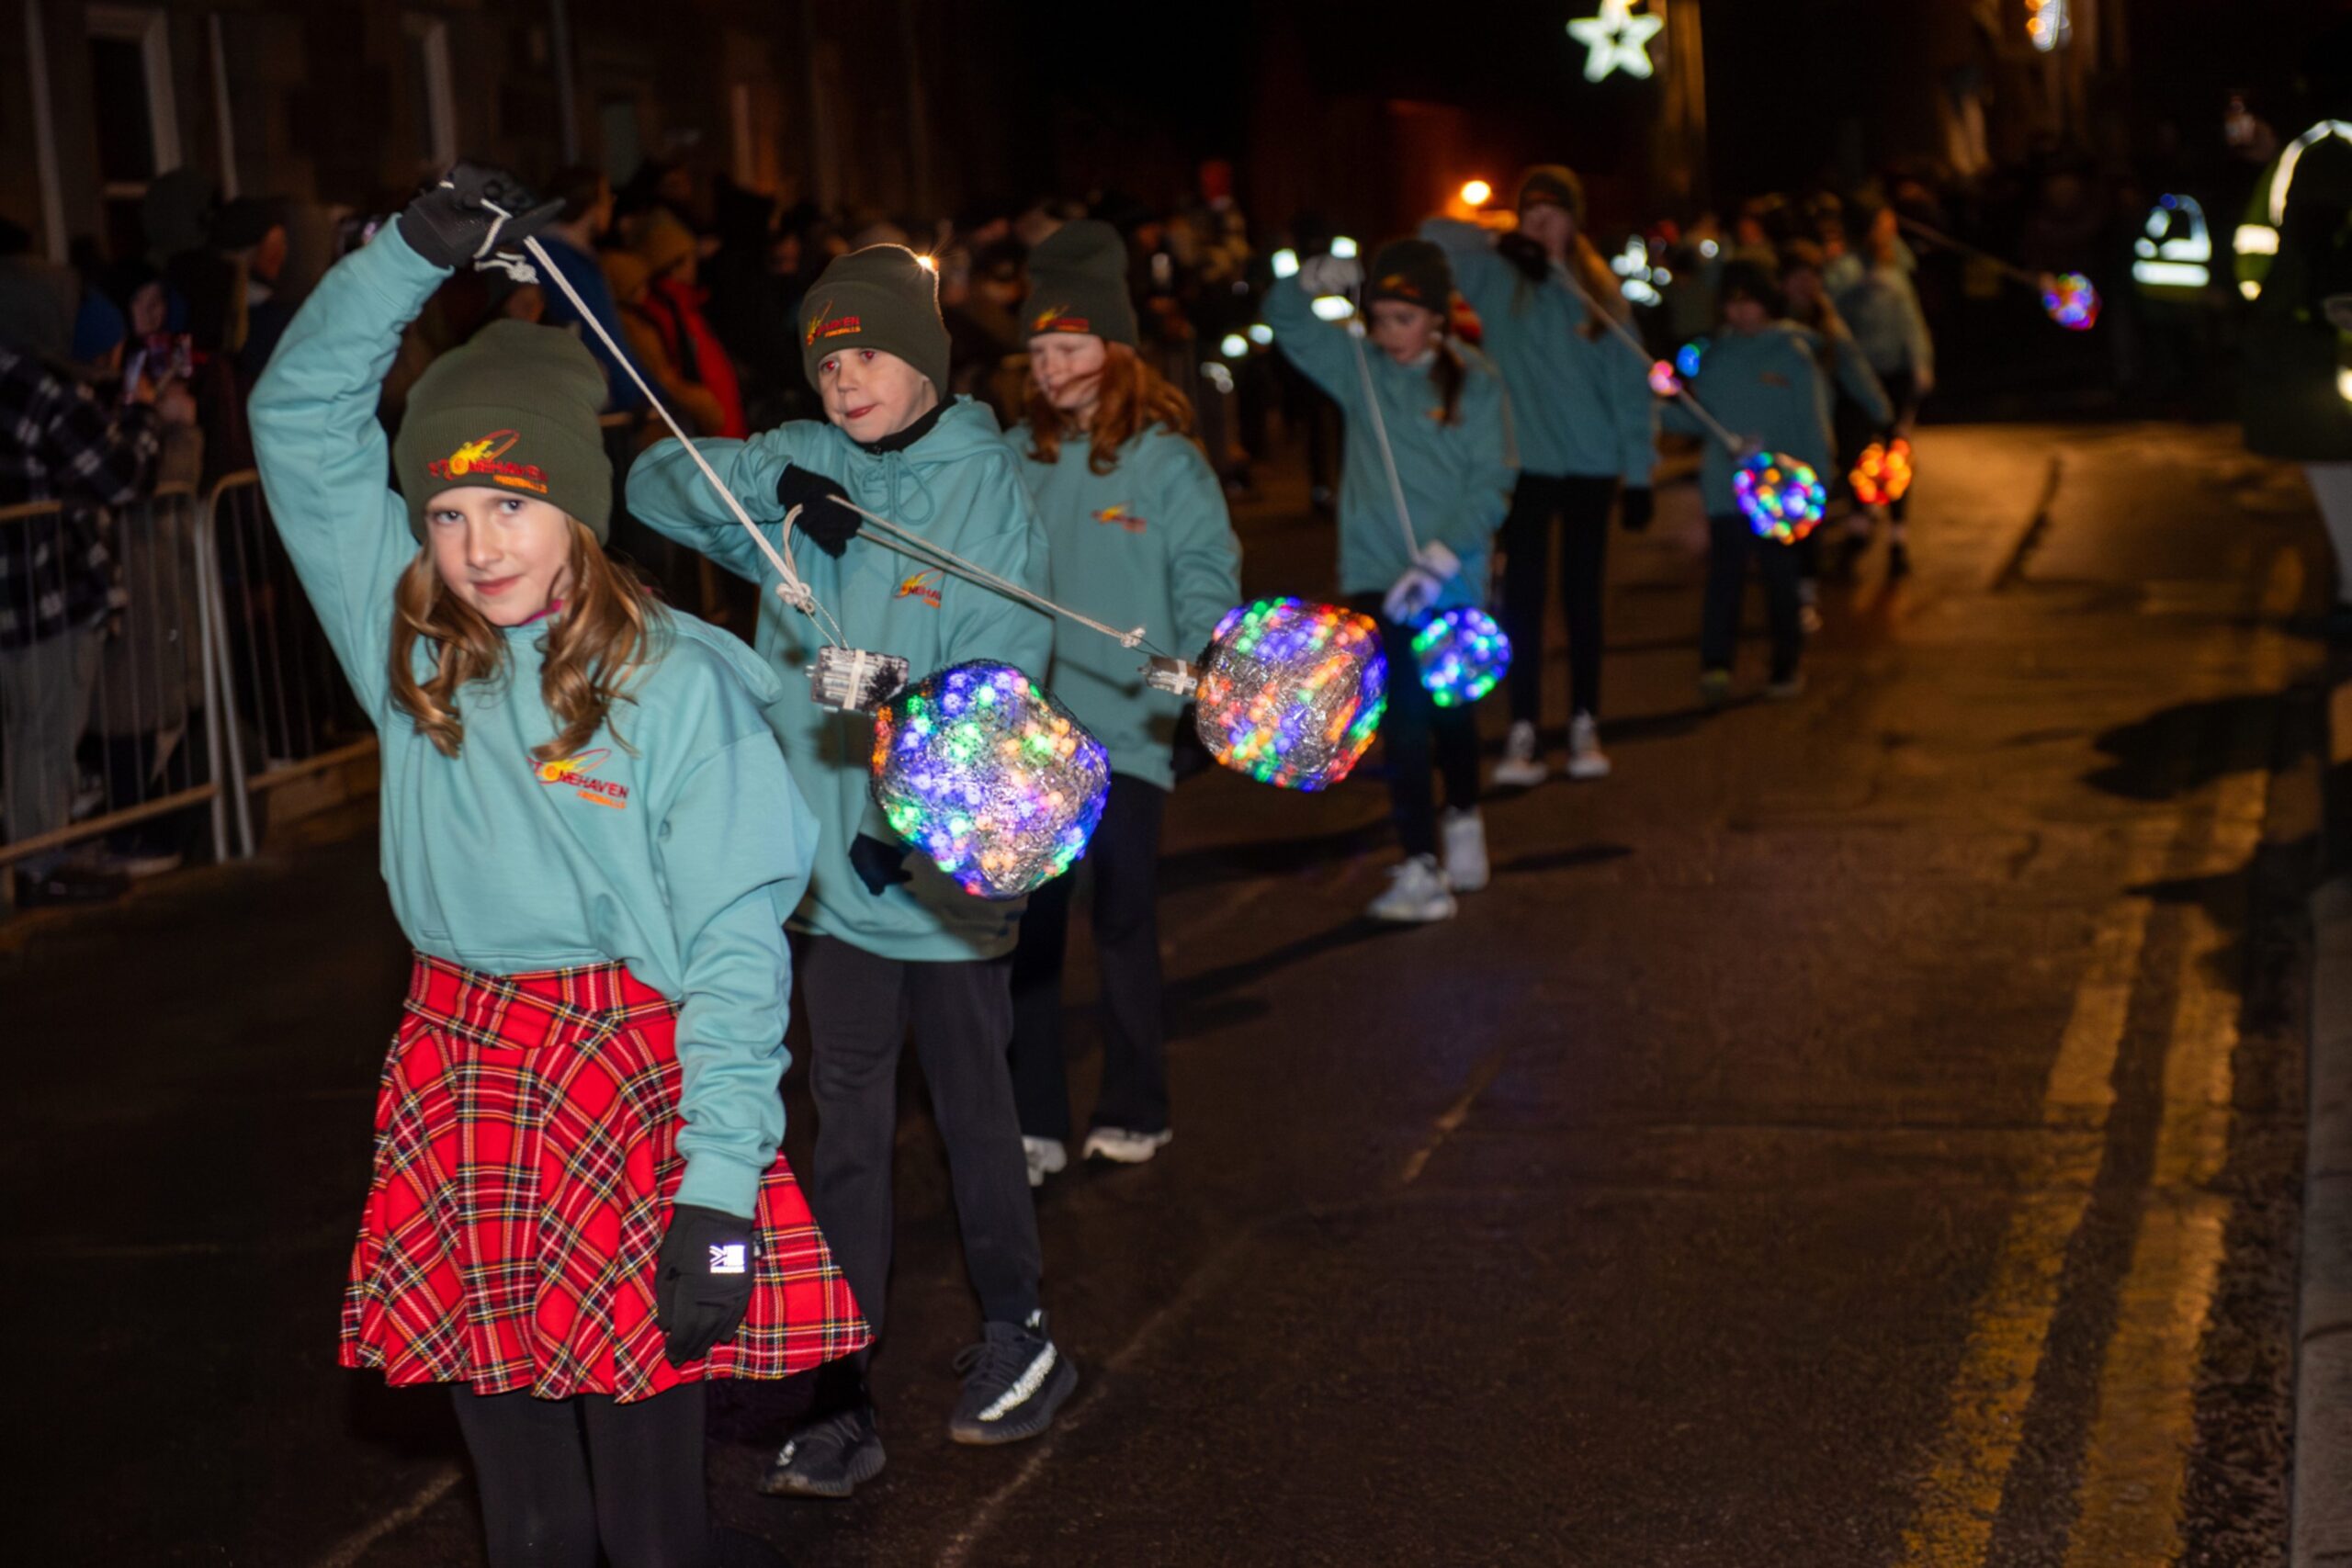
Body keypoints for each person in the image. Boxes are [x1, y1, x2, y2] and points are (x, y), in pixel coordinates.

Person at [247, 164, 865, 1568]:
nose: (478, 548)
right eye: (449, 514)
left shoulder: (677, 691)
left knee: (650, 1533)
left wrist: (719, 1179)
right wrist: (405, 255)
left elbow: (731, 940)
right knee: (529, 1526)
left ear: (578, 511)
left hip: (634, 1077)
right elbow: (298, 418)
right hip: (461, 1066)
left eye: (513, 508)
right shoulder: (408, 649)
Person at [628, 242, 1076, 1498]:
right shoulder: (799, 458)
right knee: (846, 1130)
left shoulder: (981, 485)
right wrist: (781, 483)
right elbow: (656, 473)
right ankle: (841, 1385)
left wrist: (897, 693)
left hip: (938, 863)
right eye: (828, 360)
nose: (847, 378)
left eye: (870, 353)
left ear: (922, 362)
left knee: (976, 1108)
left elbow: (1008, 665)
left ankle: (1020, 1328)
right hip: (827, 871)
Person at [1001, 220, 1242, 1183]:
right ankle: (1034, 1119)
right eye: (1037, 351)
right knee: (1030, 928)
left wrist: (1193, 655)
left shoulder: (1163, 462)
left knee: (1124, 917)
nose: (1050, 366)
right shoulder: (1012, 453)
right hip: (1030, 733)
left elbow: (1205, 571)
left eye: (1068, 347)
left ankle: (1137, 1101)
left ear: (1114, 349)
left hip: (1129, 731)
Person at [1265, 238, 1514, 923]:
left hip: (1450, 578)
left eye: (1404, 318)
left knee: (1451, 714)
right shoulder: (1359, 368)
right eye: (1379, 317)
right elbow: (1286, 321)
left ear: (1435, 318)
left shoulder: (1476, 380)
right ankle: (1419, 865)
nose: (1388, 332)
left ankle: (1463, 818)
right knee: (1400, 719)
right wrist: (1306, 274)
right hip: (1378, 574)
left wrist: (1441, 557)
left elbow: (1493, 481)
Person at [1423, 165, 1655, 788]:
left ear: (1576, 221)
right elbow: (1433, 234)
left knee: (1582, 599)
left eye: (1553, 213)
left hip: (1591, 465)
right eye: (1532, 213)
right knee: (1521, 601)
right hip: (1524, 465)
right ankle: (1523, 727)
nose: (1542, 223)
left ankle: (1584, 720)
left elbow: (1631, 390)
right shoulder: (1498, 278)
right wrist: (1500, 239)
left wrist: (1639, 474)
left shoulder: (1599, 293)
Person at [0, 254, 195, 907]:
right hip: (45, 593)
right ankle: (38, 864)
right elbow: (118, 476)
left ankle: (25, 856)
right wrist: (142, 416)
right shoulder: (40, 387)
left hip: (16, 594)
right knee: (45, 732)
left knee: (19, 734)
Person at [1669, 259, 1888, 705]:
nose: (1739, 313)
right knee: (1724, 580)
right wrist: (1663, 398)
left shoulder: (1795, 352)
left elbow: (1811, 424)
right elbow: (1698, 421)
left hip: (1781, 493)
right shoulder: (1715, 358)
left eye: (1747, 302)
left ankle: (1786, 665)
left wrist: (1816, 483)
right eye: (1731, 305)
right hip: (1726, 491)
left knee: (1780, 580)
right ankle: (1716, 665)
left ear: (1765, 302)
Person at [1778, 240, 1890, 615]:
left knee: (1809, 502)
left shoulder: (1826, 323)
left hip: (1816, 427)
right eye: (1797, 277)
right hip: (1779, 427)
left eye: (1812, 277)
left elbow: (1854, 367)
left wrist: (1882, 414)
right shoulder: (1773, 323)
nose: (1805, 285)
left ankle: (1805, 584)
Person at [1834, 200, 1933, 580]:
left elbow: (1911, 319)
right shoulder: (1847, 269)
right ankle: (1859, 524)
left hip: (1896, 374)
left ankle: (1897, 537)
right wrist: (1856, 285)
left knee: (1897, 454)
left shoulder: (1897, 269)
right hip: (1858, 375)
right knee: (1857, 452)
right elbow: (1830, 307)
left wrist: (1921, 363)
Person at [536, 164, 647, 415]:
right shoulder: (565, 263)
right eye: (607, 198)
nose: (611, 207)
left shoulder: (567, 258)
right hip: (591, 402)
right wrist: (631, 393)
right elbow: (600, 335)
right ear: (590, 204)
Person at [634, 212, 747, 438]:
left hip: (720, 430)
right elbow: (675, 376)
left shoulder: (686, 306)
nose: (695, 265)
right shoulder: (665, 312)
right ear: (675, 264)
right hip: (706, 434)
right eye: (690, 258)